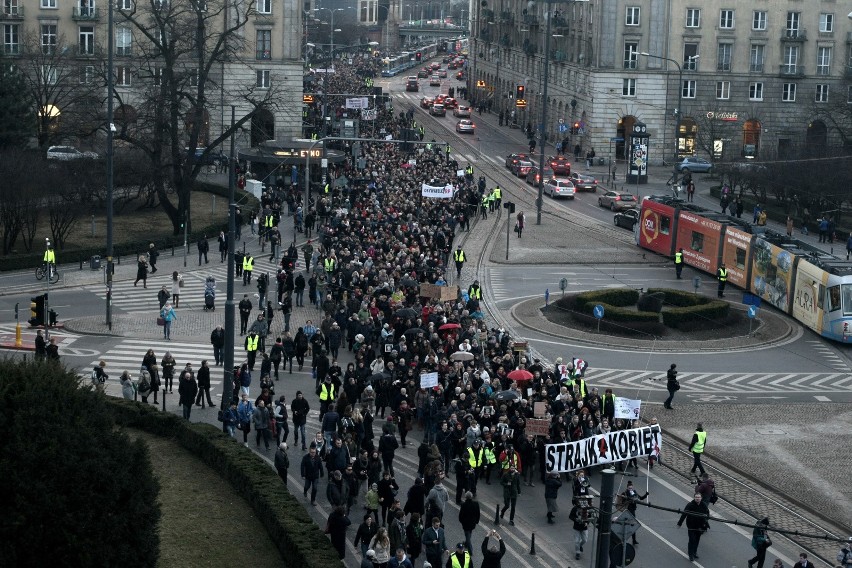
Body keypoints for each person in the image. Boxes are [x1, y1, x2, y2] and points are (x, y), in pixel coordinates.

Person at [676, 492, 710, 562]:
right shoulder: (690, 505)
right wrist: (679, 523)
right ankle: (690, 554)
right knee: (692, 540)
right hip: (691, 526)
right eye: (696, 497)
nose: (697, 498)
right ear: (694, 498)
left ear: (701, 498)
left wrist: (706, 521)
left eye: (699, 497)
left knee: (697, 540)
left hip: (700, 526)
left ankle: (694, 552)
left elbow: (707, 514)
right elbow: (684, 514)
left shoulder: (703, 505)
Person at [458, 491, 480, 556]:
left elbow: (460, 516)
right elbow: (478, 514)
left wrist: (462, 522)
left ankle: (470, 550)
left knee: (467, 536)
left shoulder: (463, 505)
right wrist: (476, 521)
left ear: (465, 497)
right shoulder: (476, 504)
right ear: (471, 496)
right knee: (469, 533)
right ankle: (466, 543)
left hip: (466, 524)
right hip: (473, 523)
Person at [569, 496, 590, 560]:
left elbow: (590, 517)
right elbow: (570, 516)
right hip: (576, 527)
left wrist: (587, 522)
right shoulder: (575, 509)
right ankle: (577, 553)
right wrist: (575, 519)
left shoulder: (587, 509)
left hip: (584, 527)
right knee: (576, 541)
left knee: (585, 540)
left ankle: (580, 545)